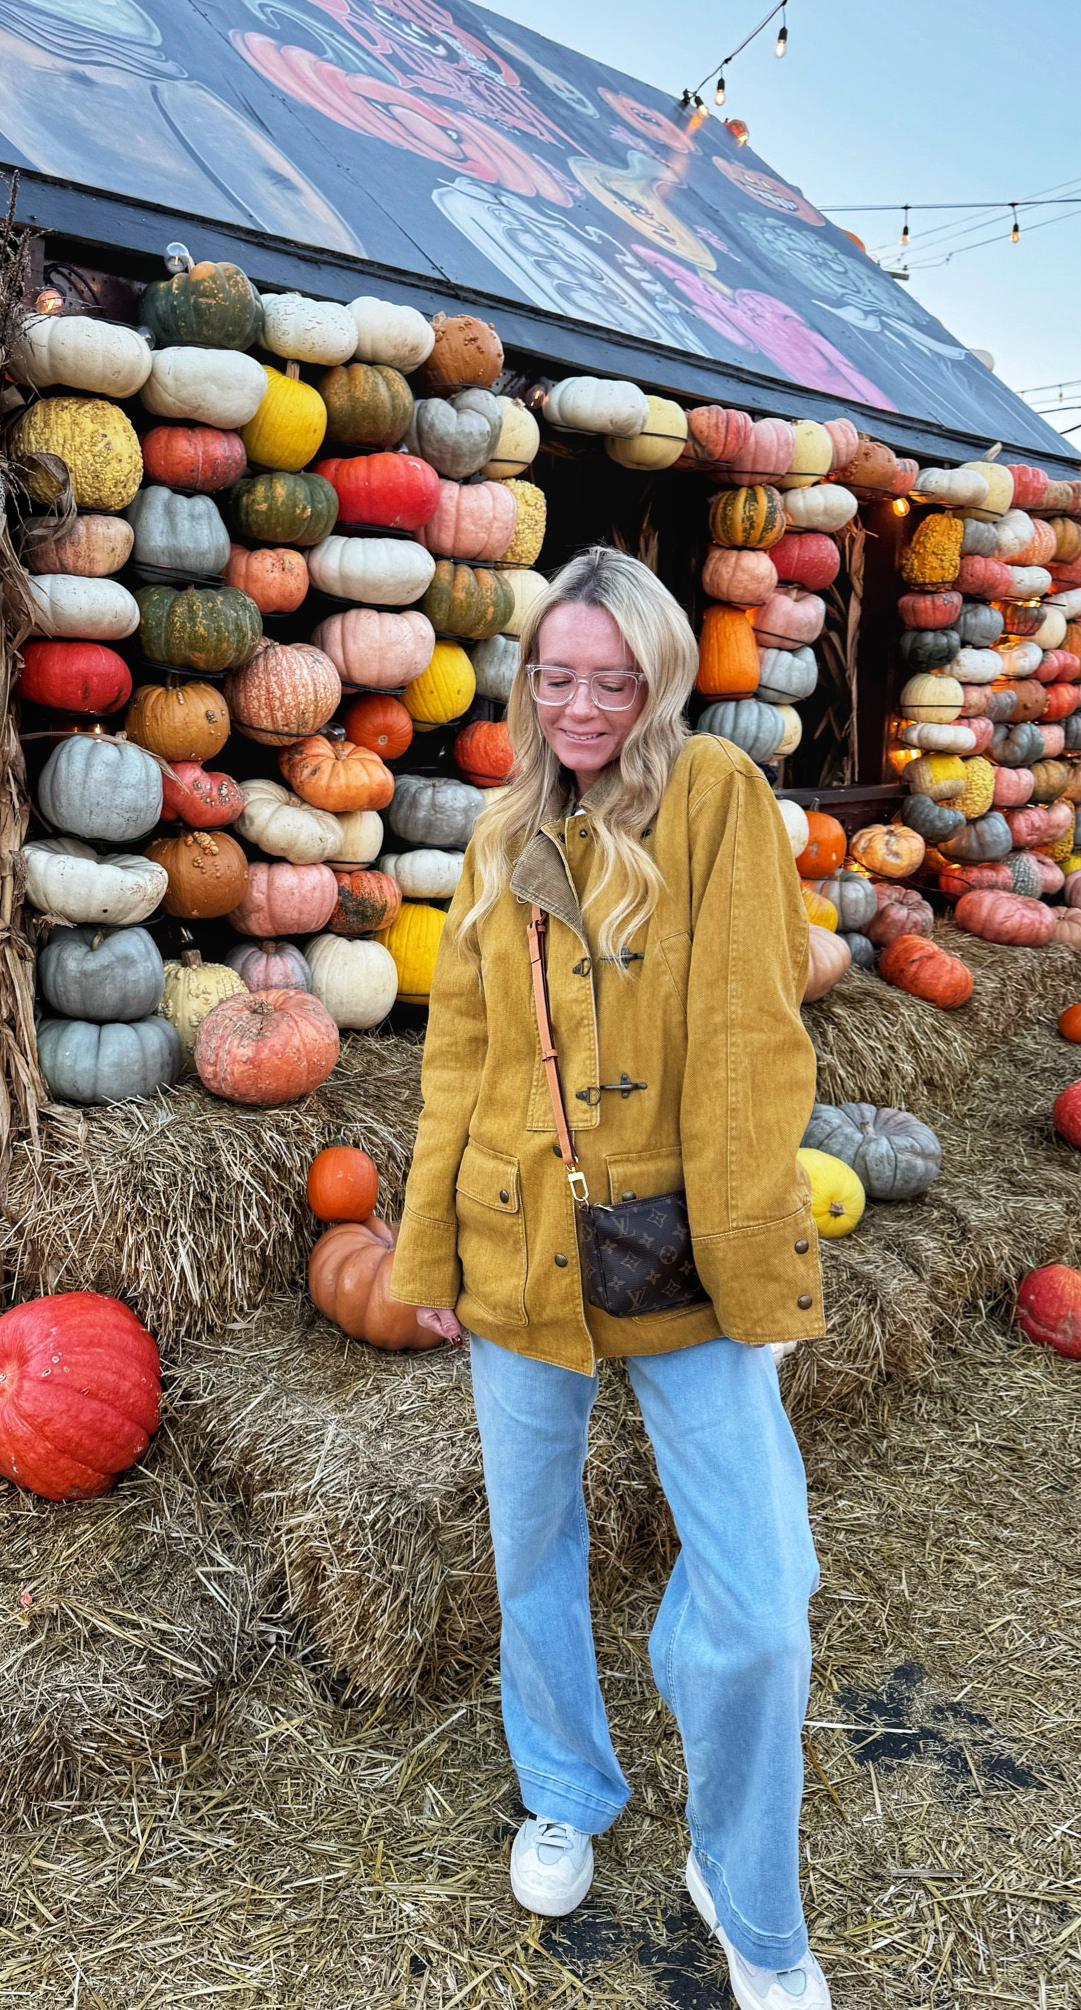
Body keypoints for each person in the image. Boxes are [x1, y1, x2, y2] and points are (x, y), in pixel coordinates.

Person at [390, 548, 829, 2010]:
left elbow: (753, 1046)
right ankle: (566, 1787)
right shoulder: (499, 827)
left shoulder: (713, 797)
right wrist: (429, 1248)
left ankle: (746, 1896)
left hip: (686, 1258)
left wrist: (763, 1284)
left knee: (760, 1605)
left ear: (657, 679)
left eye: (612, 678)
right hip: (517, 1239)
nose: (582, 706)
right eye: (557, 677)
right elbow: (461, 1055)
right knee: (531, 1553)